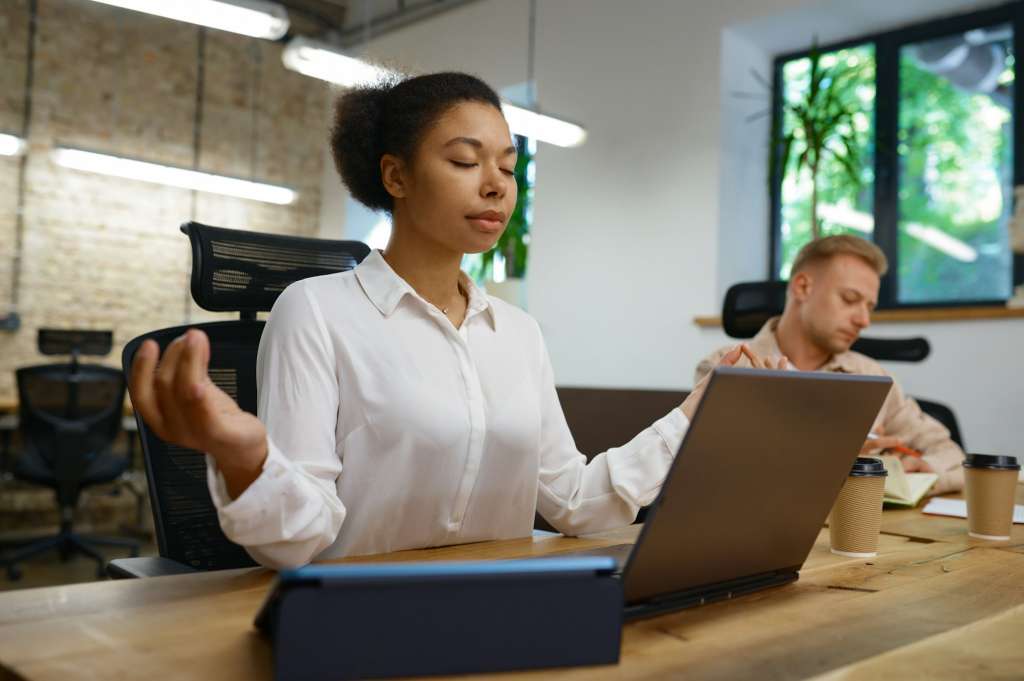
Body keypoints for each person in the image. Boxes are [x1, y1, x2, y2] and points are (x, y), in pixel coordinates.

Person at [128, 72, 781, 569]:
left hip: (504, 617)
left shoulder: (518, 333)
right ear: (397, 176)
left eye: (508, 165)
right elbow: (300, 537)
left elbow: (577, 501)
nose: (496, 184)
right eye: (466, 162)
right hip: (357, 625)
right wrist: (247, 457)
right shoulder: (315, 311)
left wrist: (697, 409)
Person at [696, 235, 965, 495]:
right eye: (850, 299)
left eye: (869, 307)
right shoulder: (726, 369)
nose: (864, 320)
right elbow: (721, 474)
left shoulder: (873, 376)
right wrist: (839, 461)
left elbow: (950, 454)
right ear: (802, 287)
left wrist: (927, 471)